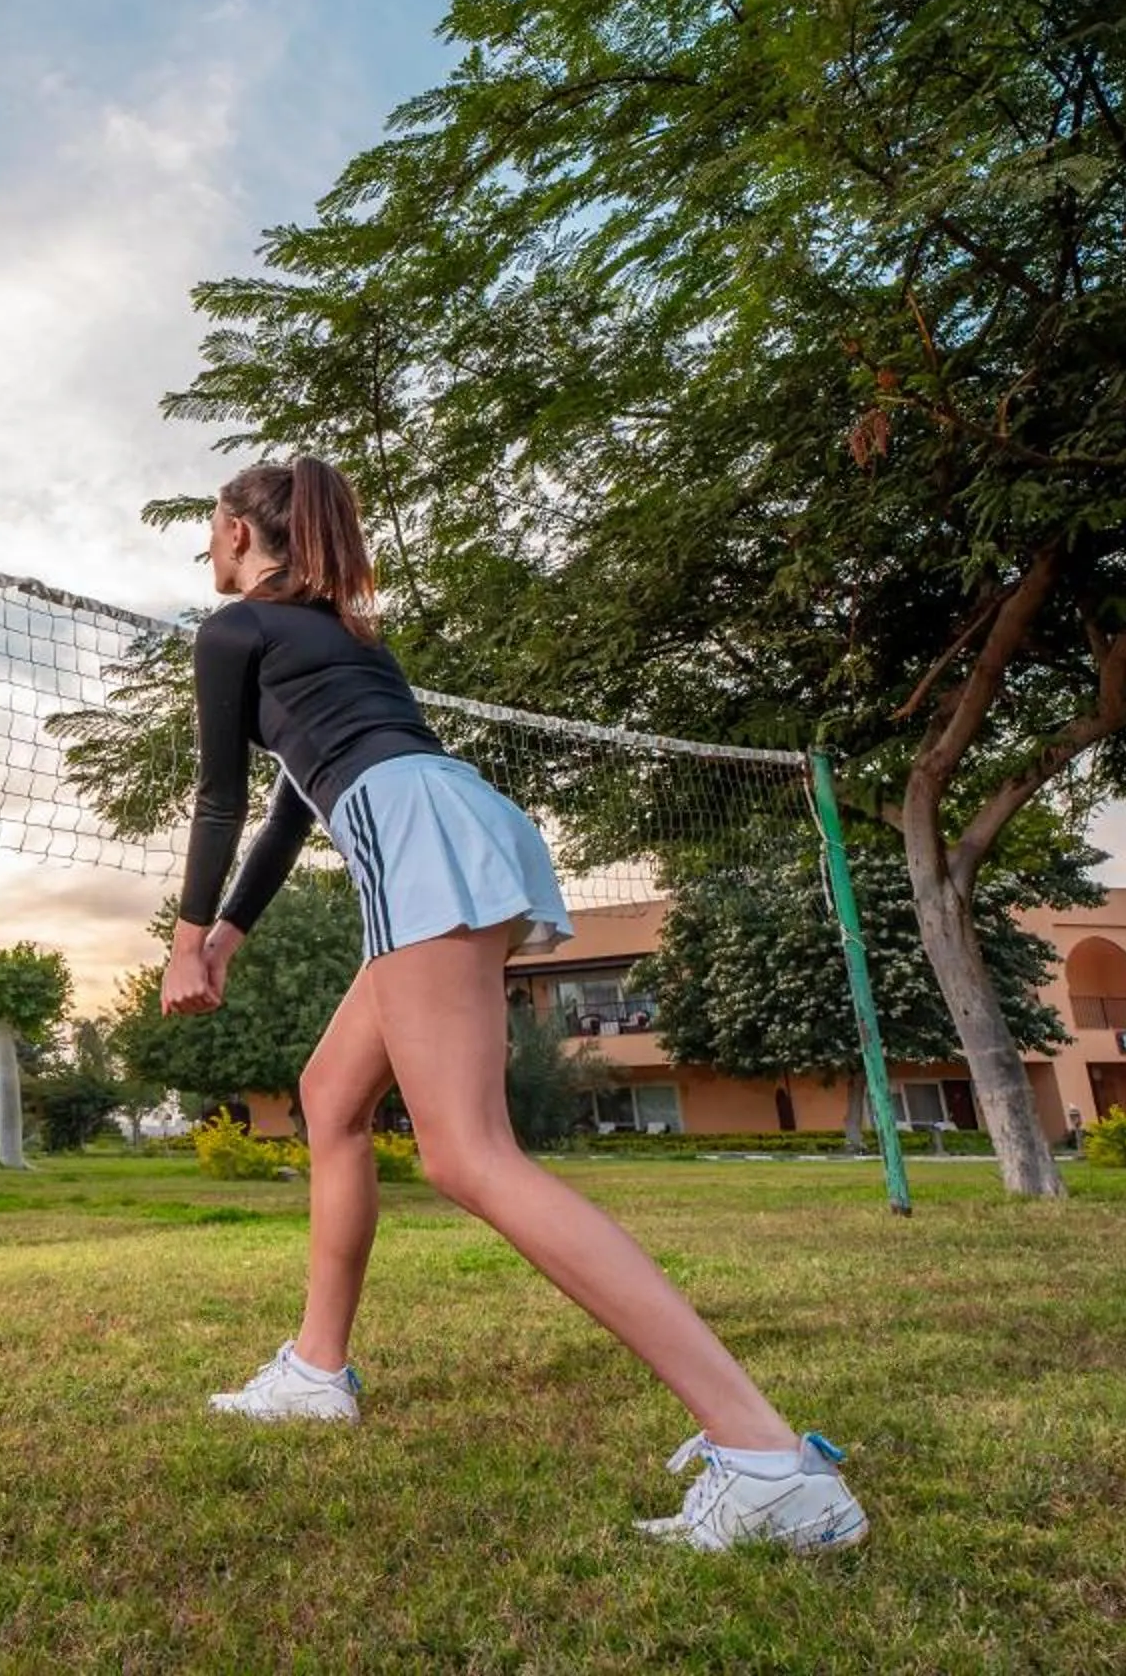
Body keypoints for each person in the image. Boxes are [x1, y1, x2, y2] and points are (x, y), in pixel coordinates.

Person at [161, 457, 868, 1555]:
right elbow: (291, 813)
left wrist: (181, 938)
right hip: (456, 818)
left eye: (213, 528)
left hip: (413, 835)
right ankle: (314, 1369)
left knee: (468, 1155)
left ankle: (768, 1459)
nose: (206, 548)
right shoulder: (347, 638)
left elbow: (218, 795)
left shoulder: (237, 631)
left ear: (251, 538)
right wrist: (230, 935)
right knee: (330, 1095)